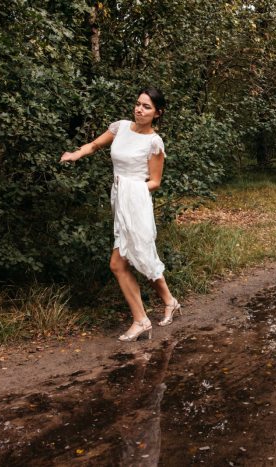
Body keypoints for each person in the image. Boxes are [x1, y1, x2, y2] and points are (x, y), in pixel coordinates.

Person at [60, 88, 181, 342]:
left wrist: (130, 189)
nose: (139, 109)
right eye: (138, 104)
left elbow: (155, 182)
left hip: (136, 203)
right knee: (139, 256)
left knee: (123, 262)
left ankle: (142, 321)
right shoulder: (121, 128)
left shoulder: (154, 142)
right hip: (120, 200)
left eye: (146, 107)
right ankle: (169, 301)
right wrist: (76, 154)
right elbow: (94, 144)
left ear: (157, 113)